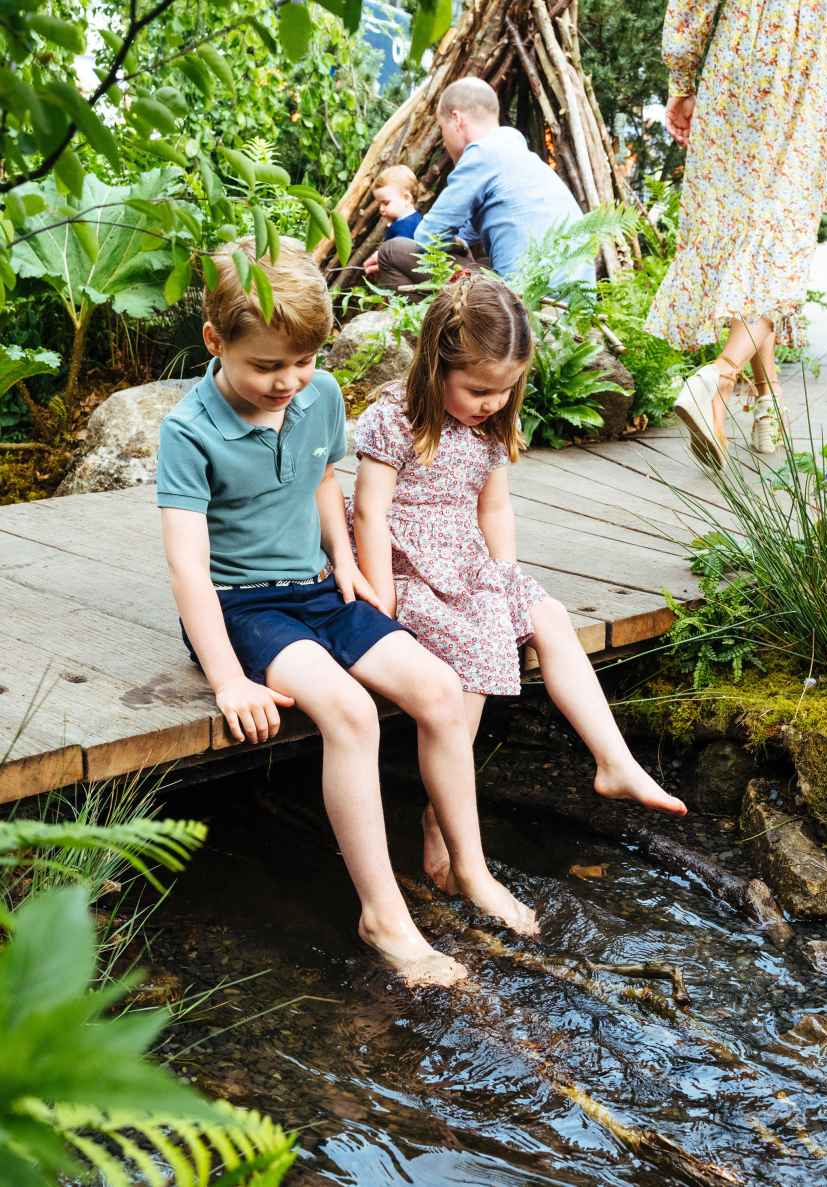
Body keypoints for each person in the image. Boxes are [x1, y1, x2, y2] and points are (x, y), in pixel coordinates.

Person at [156, 238, 539, 989]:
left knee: (435, 687)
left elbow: (325, 482)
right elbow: (187, 567)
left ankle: (470, 866)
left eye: (301, 362)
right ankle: (383, 915)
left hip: (321, 587)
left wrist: (352, 563)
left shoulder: (318, 395)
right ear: (215, 342)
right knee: (352, 713)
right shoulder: (188, 431)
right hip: (242, 609)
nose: (288, 382)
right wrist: (231, 678)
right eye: (267, 366)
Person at [349, 274, 687, 888]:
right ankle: (440, 821)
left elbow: (494, 508)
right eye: (478, 389)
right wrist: (382, 598)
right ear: (434, 366)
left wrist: (504, 576)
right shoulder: (393, 419)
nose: (492, 403)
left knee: (548, 617)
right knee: (476, 656)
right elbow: (369, 510)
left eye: (505, 391)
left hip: (469, 560)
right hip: (407, 564)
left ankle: (613, 760)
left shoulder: (489, 425)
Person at [647, 0, 827, 466]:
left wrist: (682, 79)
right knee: (781, 236)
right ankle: (718, 378)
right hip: (806, 60)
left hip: (736, 56)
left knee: (750, 234)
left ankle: (768, 398)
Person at [367, 76, 594, 293]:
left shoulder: (482, 154)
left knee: (391, 251)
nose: (444, 142)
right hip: (567, 299)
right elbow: (467, 232)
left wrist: (400, 255)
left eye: (442, 129)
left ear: (457, 120)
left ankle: (419, 330)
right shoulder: (514, 152)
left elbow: (428, 236)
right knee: (484, 262)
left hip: (524, 301)